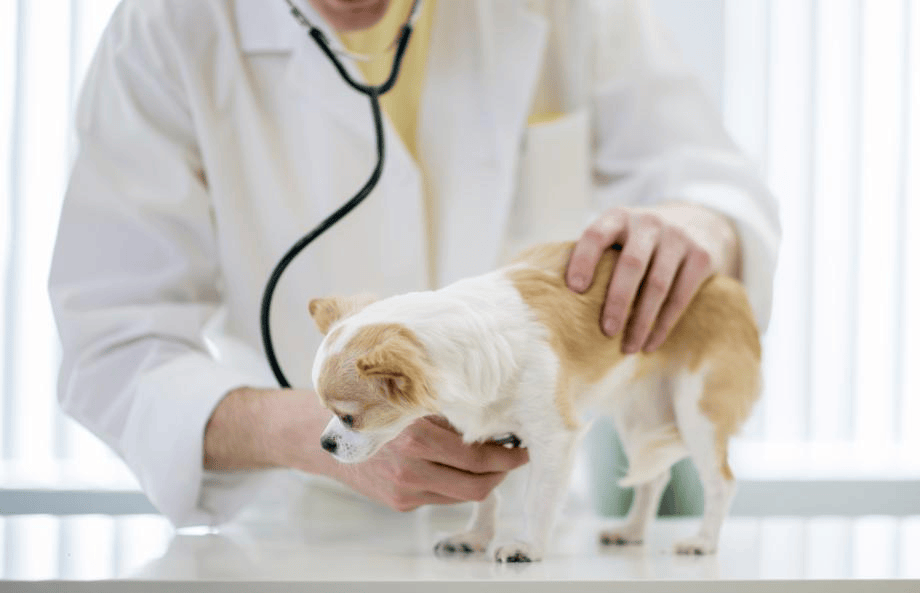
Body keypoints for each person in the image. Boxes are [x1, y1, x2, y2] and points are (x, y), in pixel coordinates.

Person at [49, 0, 780, 528]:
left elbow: (709, 178)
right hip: (297, 528)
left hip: (531, 522)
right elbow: (114, 348)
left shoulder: (569, 10)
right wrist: (313, 431)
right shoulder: (165, 29)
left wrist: (702, 224)